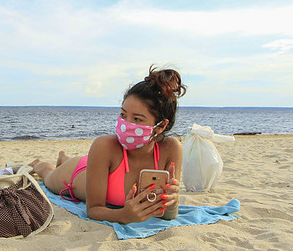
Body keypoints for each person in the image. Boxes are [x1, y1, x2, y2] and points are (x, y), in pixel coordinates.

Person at [30, 67, 184, 224]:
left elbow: (168, 214)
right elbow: (93, 210)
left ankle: (63, 158)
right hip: (77, 173)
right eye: (123, 115)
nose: (126, 124)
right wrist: (124, 215)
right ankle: (42, 162)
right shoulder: (104, 144)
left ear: (160, 126)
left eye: (137, 119)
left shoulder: (171, 148)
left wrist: (172, 200)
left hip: (99, 165)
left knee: (77, 163)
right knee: (47, 175)